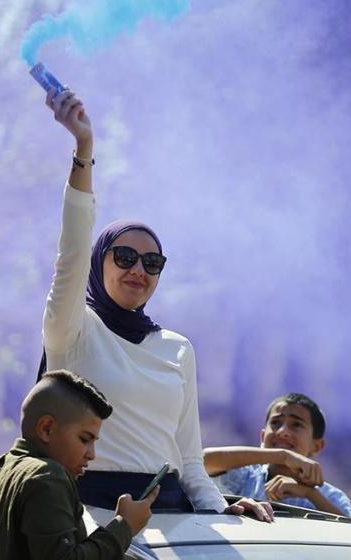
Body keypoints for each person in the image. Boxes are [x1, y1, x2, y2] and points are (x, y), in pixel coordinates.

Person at [38, 86, 271, 521]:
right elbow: (71, 248)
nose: (138, 270)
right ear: (98, 262)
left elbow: (189, 462)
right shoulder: (72, 329)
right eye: (124, 257)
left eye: (152, 262)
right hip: (87, 516)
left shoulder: (178, 348)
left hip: (172, 517)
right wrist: (84, 148)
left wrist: (220, 510)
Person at [0, 369, 156, 560]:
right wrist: (123, 527)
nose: (91, 455)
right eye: (84, 439)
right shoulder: (48, 476)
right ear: (47, 428)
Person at [203, 393, 351, 518]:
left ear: (316, 446)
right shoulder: (246, 477)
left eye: (297, 424)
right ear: (262, 437)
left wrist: (309, 493)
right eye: (276, 423)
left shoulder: (330, 497)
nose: (283, 432)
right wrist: (283, 456)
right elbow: (202, 462)